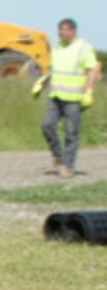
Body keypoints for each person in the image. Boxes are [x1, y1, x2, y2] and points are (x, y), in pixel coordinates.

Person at [40, 18, 101, 178]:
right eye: (59, 30)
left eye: (64, 30)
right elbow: (53, 69)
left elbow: (92, 70)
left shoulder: (84, 48)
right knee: (47, 126)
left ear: (73, 31)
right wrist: (42, 82)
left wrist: (88, 91)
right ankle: (57, 157)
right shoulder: (57, 47)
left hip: (73, 97)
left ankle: (68, 166)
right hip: (55, 95)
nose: (61, 34)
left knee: (71, 132)